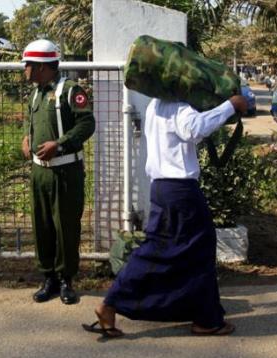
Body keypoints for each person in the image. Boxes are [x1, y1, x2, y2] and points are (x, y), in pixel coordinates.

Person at [83, 94, 247, 337]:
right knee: (199, 249)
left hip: (161, 187)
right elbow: (196, 128)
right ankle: (206, 319)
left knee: (162, 248)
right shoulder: (179, 107)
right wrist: (230, 106)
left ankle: (113, 303)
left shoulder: (155, 105)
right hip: (181, 190)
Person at [21, 39, 95, 305]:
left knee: (65, 227)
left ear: (42, 66)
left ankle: (66, 280)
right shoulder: (36, 93)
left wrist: (59, 144)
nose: (25, 70)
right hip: (40, 173)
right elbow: (34, 122)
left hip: (65, 173)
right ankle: (48, 278)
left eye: (28, 64)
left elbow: (87, 124)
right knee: (42, 226)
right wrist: (26, 139)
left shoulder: (70, 91)